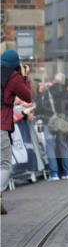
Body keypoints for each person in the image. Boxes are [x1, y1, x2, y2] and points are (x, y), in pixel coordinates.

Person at [1, 51, 33, 214]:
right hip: (1, 125)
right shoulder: (13, 78)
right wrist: (25, 77)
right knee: (4, 163)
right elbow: (28, 96)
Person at [37, 73, 68, 180]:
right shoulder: (67, 94)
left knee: (50, 147)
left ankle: (54, 174)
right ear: (64, 82)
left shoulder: (47, 92)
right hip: (63, 123)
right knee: (63, 146)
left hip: (48, 122)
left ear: (54, 81)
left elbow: (39, 109)